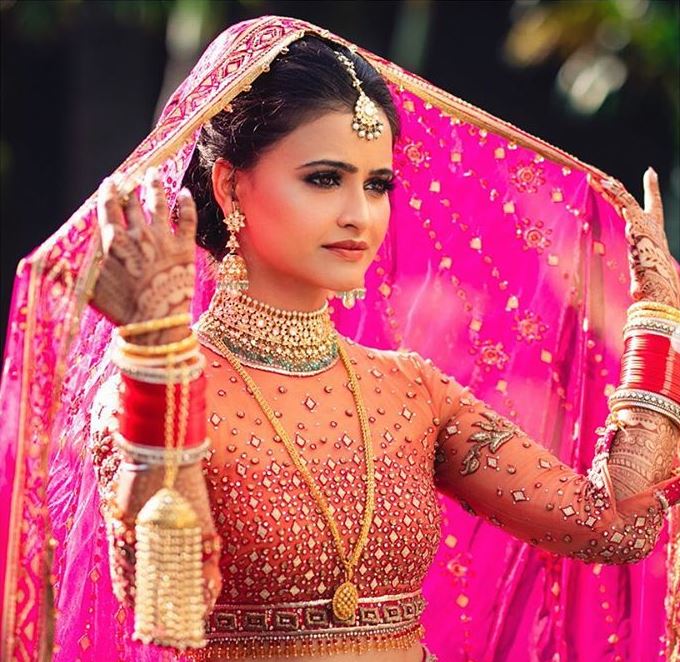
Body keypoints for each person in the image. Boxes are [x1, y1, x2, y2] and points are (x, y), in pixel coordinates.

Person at [1, 15, 679, 662]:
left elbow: (613, 523)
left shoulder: (410, 389)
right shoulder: (161, 383)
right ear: (230, 186)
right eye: (324, 179)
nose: (360, 214)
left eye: (377, 184)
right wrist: (154, 351)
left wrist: (659, 320)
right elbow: (168, 610)